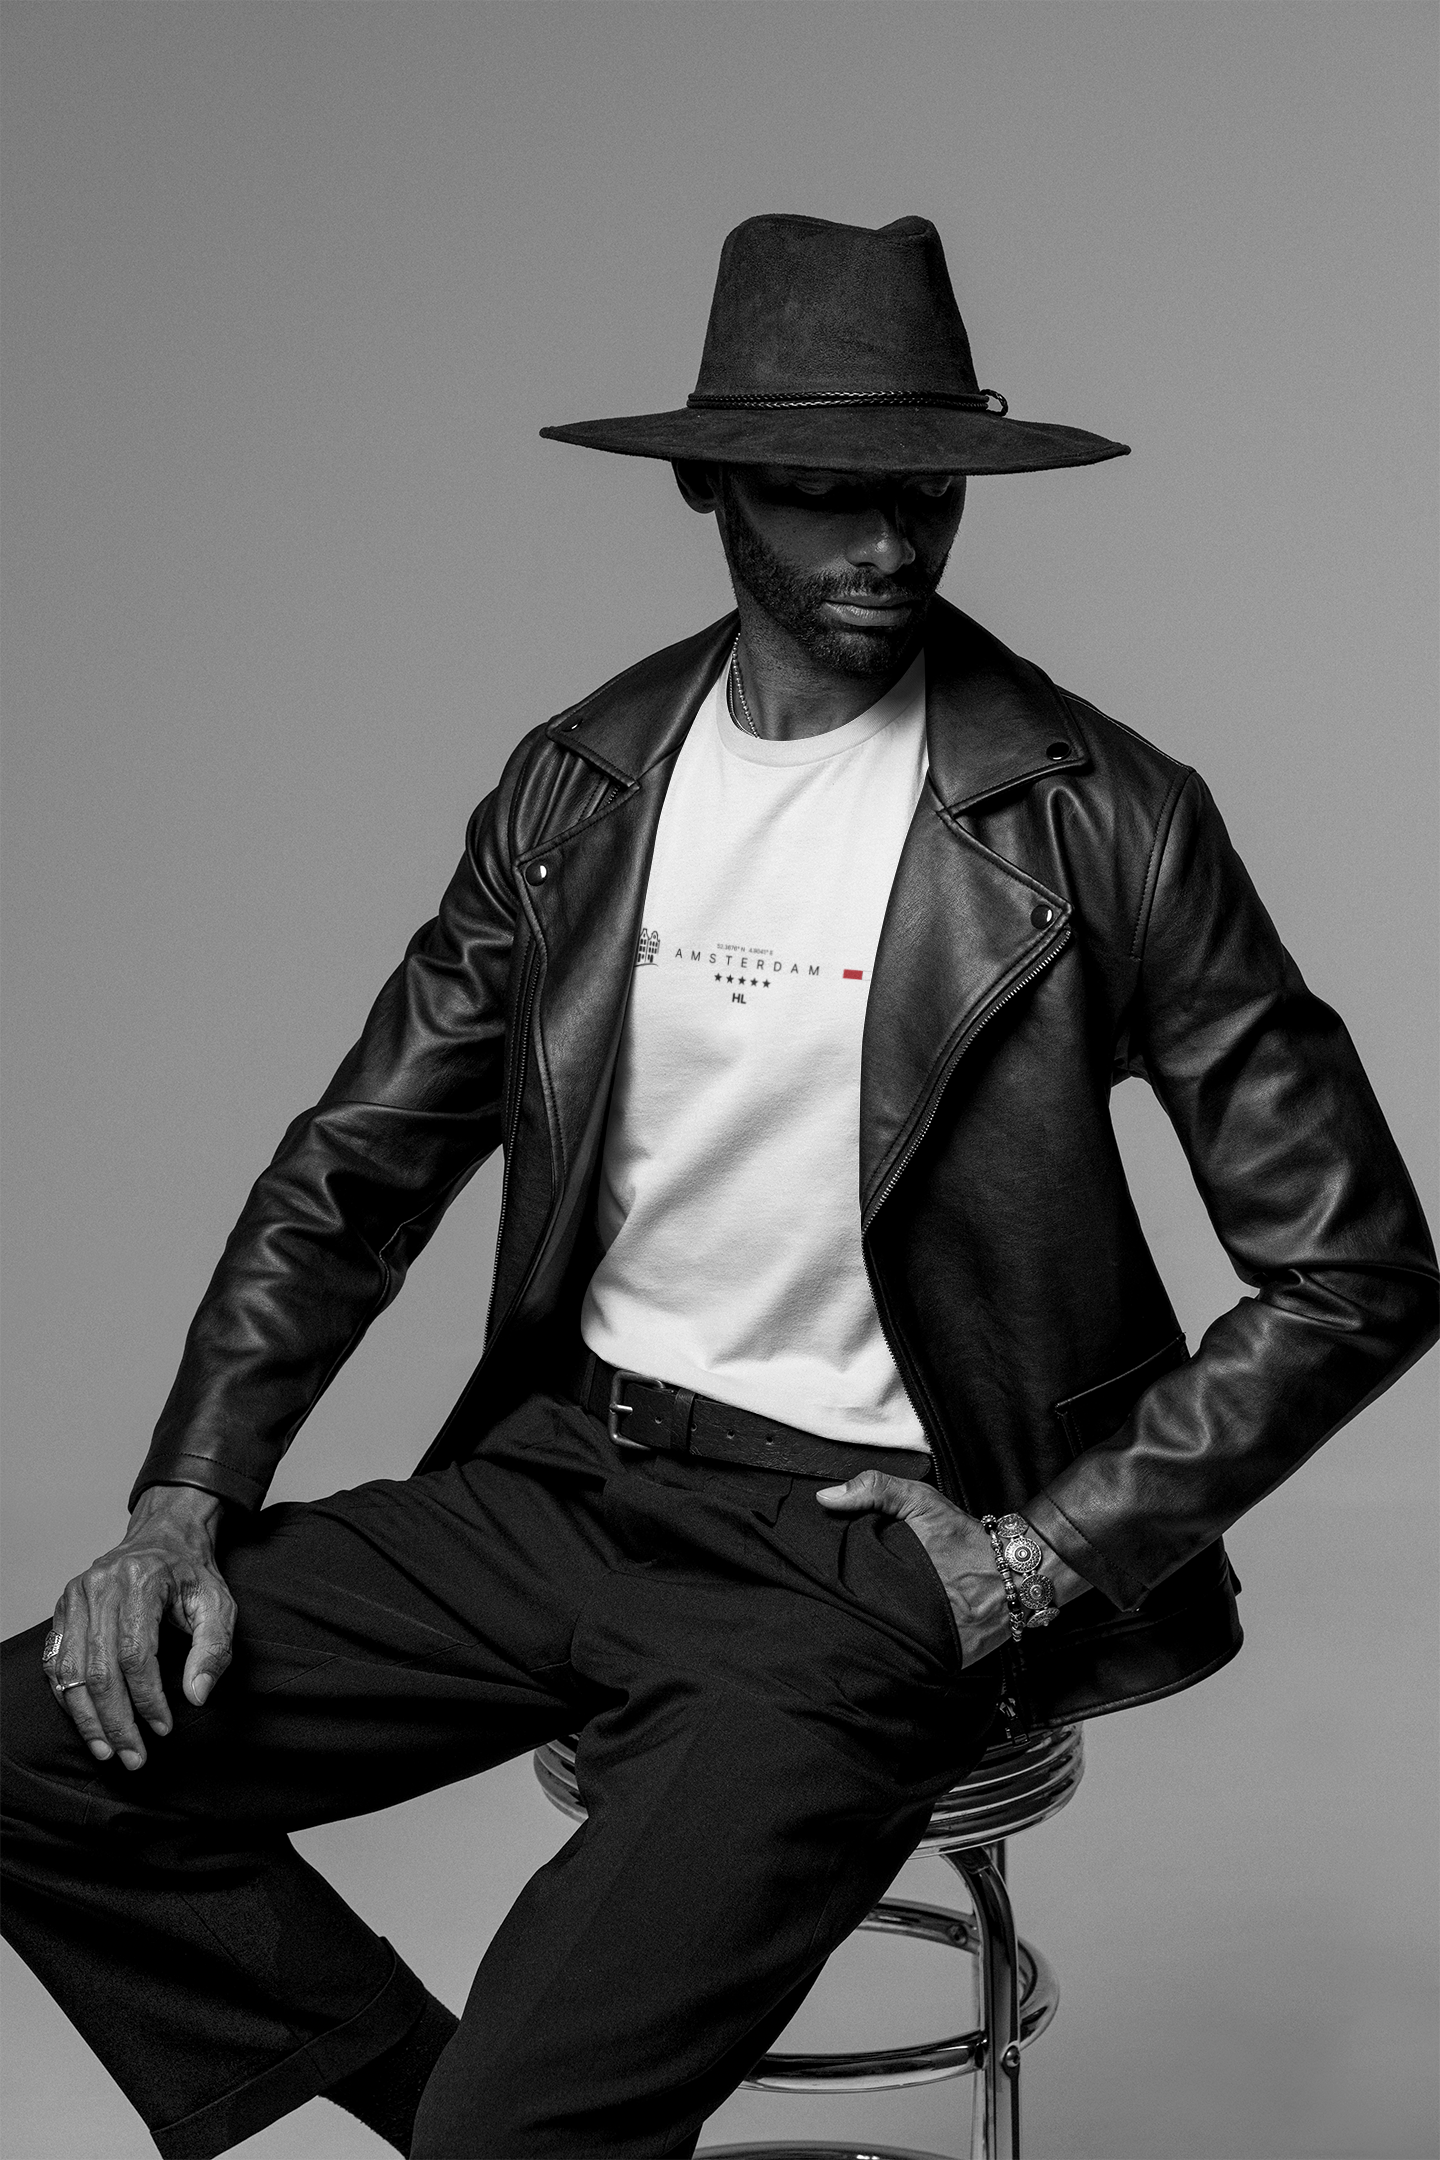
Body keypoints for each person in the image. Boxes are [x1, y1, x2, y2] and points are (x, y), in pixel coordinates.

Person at [2, 212, 1435, 2160]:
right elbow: (356, 1169)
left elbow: (1353, 1267)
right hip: (562, 1483)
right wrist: (184, 1504)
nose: (889, 545)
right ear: (704, 483)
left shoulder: (1097, 815)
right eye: (826, 492)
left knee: (530, 2126)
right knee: (24, 1756)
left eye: (926, 491)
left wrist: (1039, 1555)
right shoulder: (583, 788)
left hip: (861, 1558)